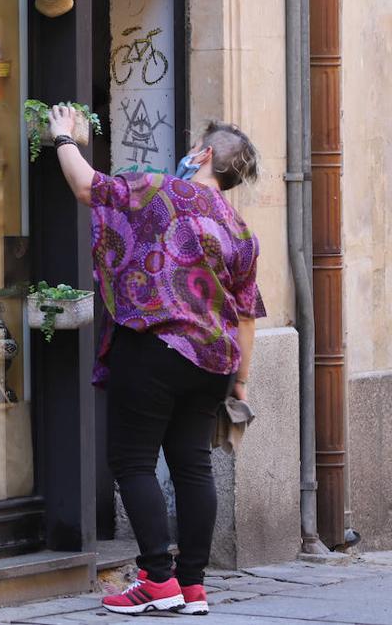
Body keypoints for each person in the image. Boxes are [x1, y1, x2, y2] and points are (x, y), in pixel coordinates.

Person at [47, 105, 266, 615]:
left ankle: (156, 581)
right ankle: (192, 587)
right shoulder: (240, 230)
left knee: (132, 461)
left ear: (205, 154)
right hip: (213, 361)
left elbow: (87, 187)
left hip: (155, 348)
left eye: (196, 146)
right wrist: (241, 384)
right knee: (193, 467)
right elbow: (248, 315)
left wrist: (62, 137)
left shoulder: (162, 188)